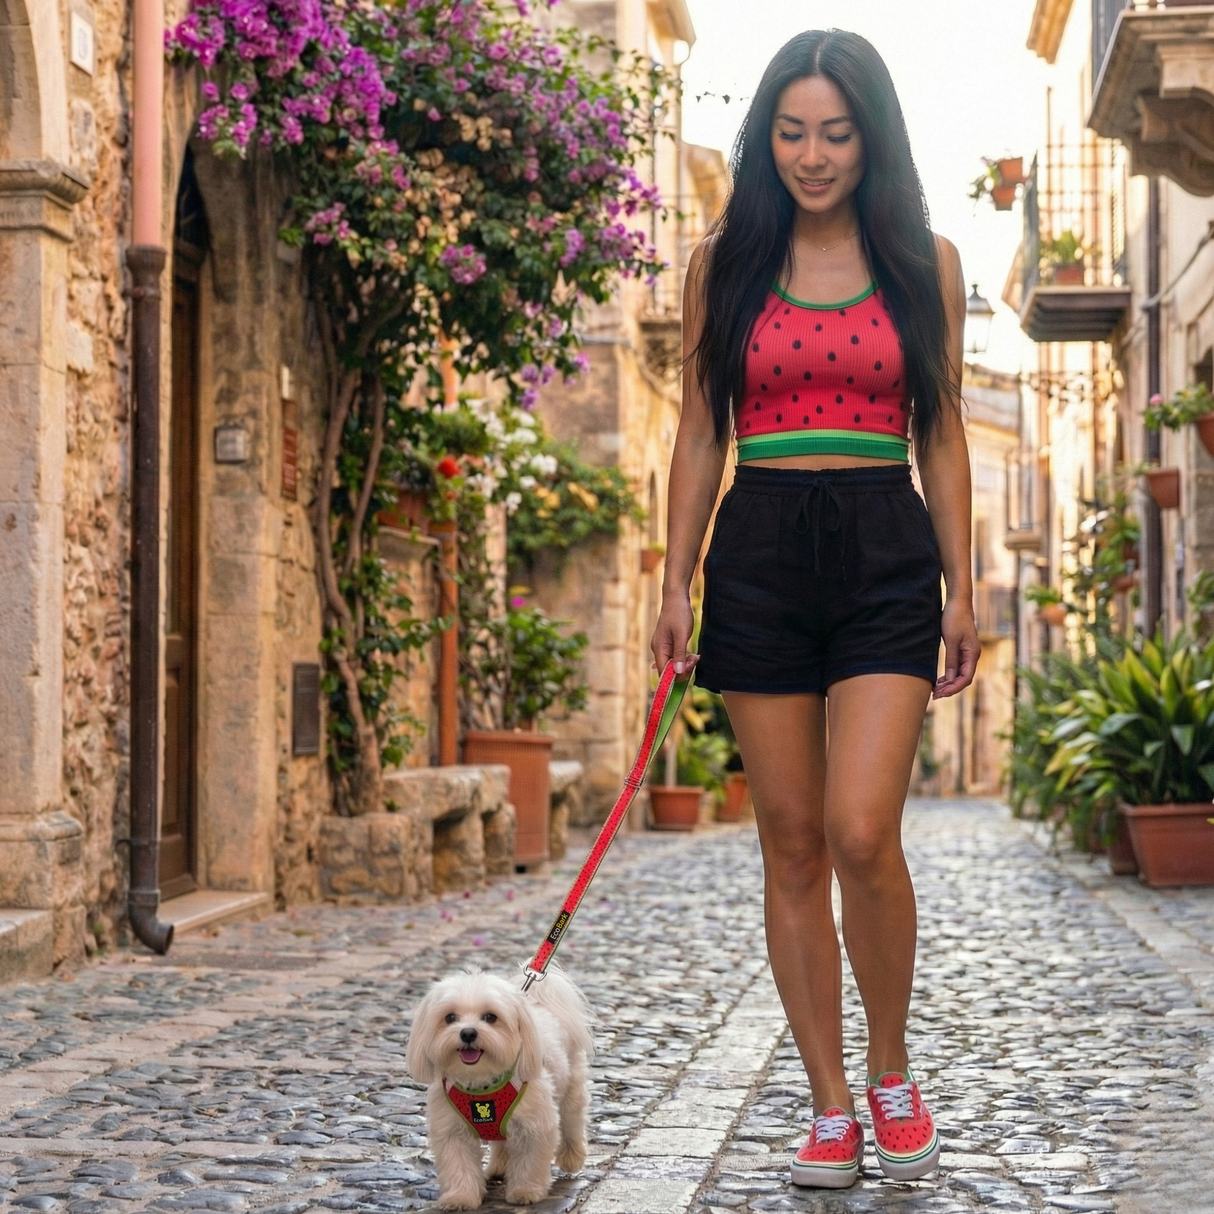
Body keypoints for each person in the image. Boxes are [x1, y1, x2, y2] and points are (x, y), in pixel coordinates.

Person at [651, 29, 978, 1189]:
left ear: (870, 136)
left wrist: (962, 587)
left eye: (834, 132)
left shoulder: (922, 261)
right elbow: (699, 429)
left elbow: (940, 433)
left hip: (887, 546)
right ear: (764, 139)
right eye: (789, 132)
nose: (811, 154)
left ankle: (890, 1066)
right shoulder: (722, 263)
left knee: (858, 829)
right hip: (759, 549)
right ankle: (829, 1103)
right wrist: (672, 575)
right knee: (788, 841)